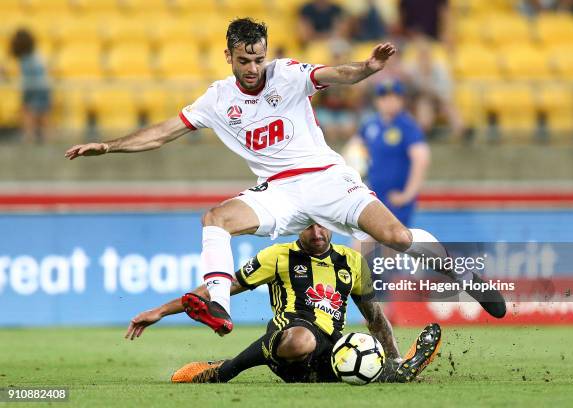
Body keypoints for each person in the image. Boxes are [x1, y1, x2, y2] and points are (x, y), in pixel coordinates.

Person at [65, 18, 505, 337]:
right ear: (229, 57)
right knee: (215, 219)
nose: (253, 68)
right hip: (279, 191)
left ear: (265, 53)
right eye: (244, 60)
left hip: (327, 177)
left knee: (396, 236)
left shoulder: (289, 75)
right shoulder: (217, 99)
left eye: (258, 58)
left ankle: (462, 277)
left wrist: (367, 69)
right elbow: (163, 132)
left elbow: (337, 73)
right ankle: (217, 305)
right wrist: (109, 145)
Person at [125, 224, 443, 383]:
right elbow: (218, 286)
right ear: (297, 225)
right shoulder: (278, 255)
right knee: (302, 339)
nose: (317, 233)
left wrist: (391, 355)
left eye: (322, 225)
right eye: (309, 225)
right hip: (288, 334)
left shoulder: (352, 261)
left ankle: (399, 368)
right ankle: (223, 370)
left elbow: (374, 316)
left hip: (329, 349)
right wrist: (161, 311)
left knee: (363, 364)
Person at [352, 79, 430, 227]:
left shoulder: (407, 126)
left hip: (395, 200)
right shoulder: (371, 124)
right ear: (377, 101)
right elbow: (352, 151)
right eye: (384, 97)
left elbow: (421, 161)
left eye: (393, 97)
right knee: (366, 245)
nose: (388, 101)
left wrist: (407, 195)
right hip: (373, 197)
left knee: (381, 243)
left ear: (401, 100)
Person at [405, 40, 464, 139]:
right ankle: (422, 133)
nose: (424, 58)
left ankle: (461, 132)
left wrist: (430, 90)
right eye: (421, 55)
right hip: (419, 101)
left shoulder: (439, 68)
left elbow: (445, 89)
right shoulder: (411, 69)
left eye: (426, 55)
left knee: (449, 107)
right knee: (424, 105)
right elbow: (410, 89)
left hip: (438, 100)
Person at [9, 28, 52, 144]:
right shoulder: (35, 55)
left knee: (29, 112)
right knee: (43, 114)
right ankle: (44, 138)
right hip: (43, 87)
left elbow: (29, 76)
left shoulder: (27, 58)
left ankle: (30, 137)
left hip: (34, 87)